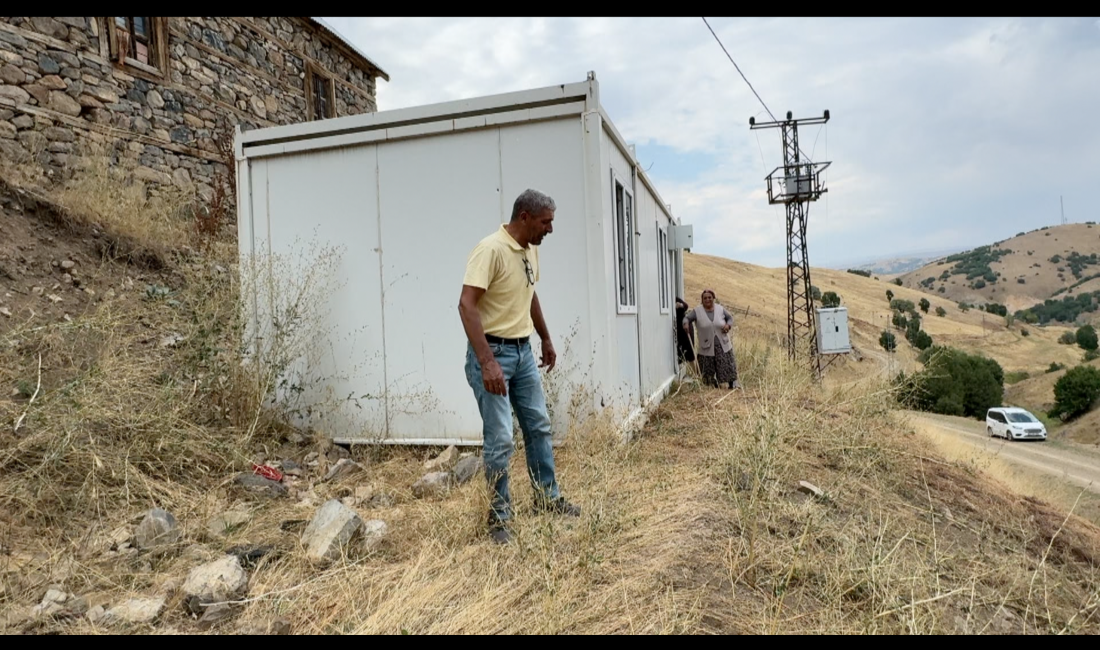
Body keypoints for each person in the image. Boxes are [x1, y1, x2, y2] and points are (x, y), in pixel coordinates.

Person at [458, 188, 581, 545]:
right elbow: (467, 306)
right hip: (493, 354)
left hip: (523, 353)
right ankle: (498, 519)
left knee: (539, 426)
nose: (550, 230)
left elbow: (530, 294)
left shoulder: (531, 250)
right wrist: (487, 363)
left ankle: (547, 499)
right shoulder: (490, 250)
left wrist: (545, 337)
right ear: (524, 217)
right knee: (500, 439)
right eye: (546, 222)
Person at [683, 289, 740, 389]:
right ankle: (712, 386)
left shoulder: (720, 309)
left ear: (713, 298)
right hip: (706, 345)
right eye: (705, 298)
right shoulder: (697, 311)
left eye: (709, 297)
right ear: (702, 300)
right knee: (707, 368)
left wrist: (728, 325)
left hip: (723, 344)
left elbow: (730, 318)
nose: (707, 299)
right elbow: (686, 318)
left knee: (726, 364)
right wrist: (685, 323)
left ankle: (732, 384)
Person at [674, 297, 696, 364]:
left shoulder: (674, 298)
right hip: (677, 329)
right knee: (679, 351)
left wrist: (680, 305)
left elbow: (686, 306)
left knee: (690, 352)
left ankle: (695, 374)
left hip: (684, 326)